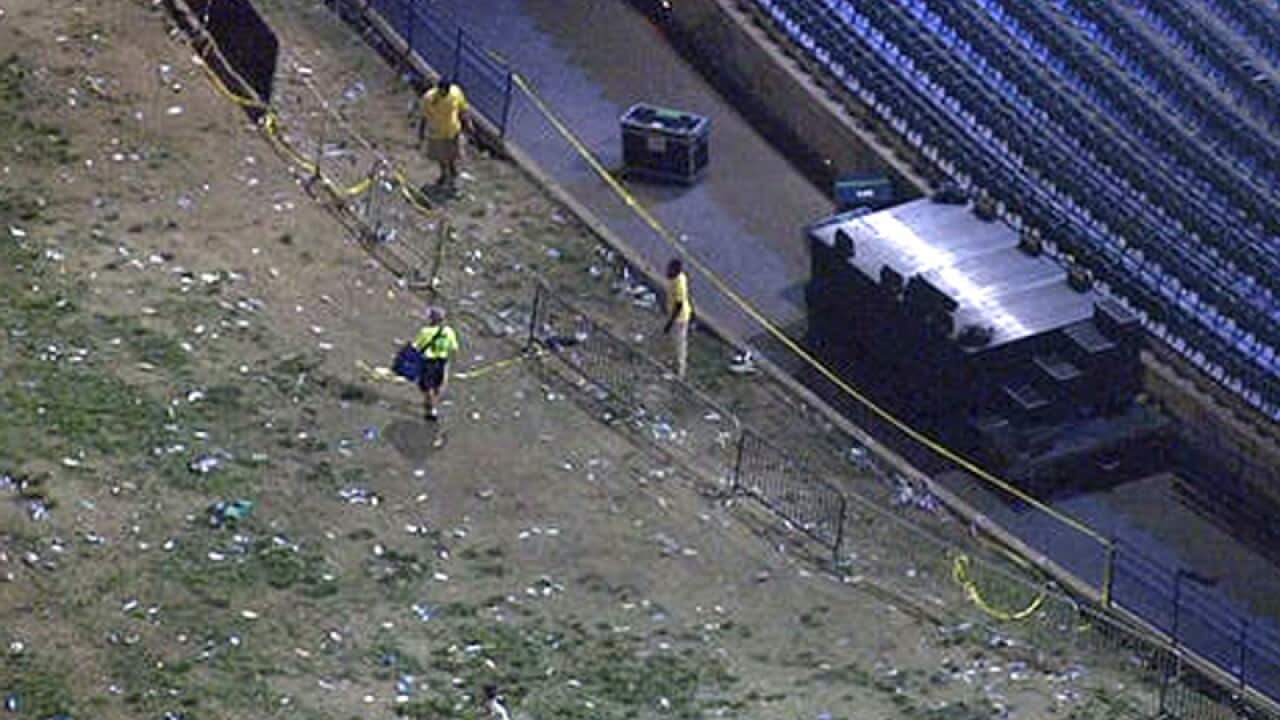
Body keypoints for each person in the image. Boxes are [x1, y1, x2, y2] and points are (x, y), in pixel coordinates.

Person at [416, 76, 472, 190]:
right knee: (440, 157)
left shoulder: (455, 93)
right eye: (442, 91)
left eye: (446, 92)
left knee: (453, 154)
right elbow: (424, 117)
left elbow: (463, 108)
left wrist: (468, 123)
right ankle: (443, 175)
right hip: (436, 133)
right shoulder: (429, 98)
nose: (444, 94)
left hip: (452, 131)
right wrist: (421, 133)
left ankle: (453, 174)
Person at [413, 306, 460, 421]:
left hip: (428, 362)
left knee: (427, 385)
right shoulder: (449, 332)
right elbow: (454, 348)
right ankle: (433, 404)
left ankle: (430, 407)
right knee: (438, 384)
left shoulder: (425, 332)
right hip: (442, 361)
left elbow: (417, 347)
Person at [662, 258, 693, 379]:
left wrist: (669, 323)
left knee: (679, 344)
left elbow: (678, 305)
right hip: (676, 315)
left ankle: (679, 372)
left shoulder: (678, 283)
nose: (667, 270)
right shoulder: (676, 278)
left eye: (670, 269)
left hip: (679, 318)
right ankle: (674, 363)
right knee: (674, 342)